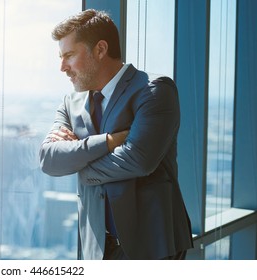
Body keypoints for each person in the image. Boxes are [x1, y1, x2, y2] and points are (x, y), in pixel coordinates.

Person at [39, 9, 193, 260]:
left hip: (152, 248)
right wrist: (109, 141)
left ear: (100, 50)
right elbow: (49, 158)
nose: (62, 67)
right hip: (96, 247)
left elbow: (137, 160)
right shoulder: (71, 102)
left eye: (68, 55)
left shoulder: (153, 90)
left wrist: (79, 162)